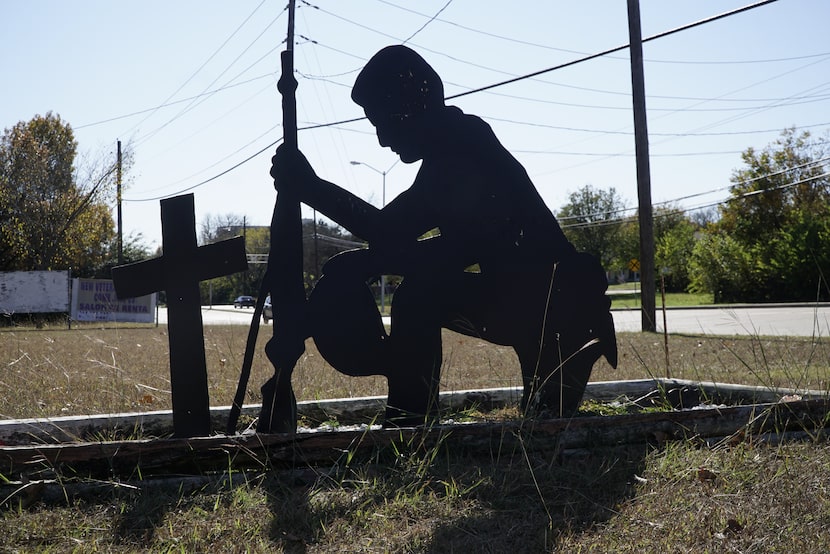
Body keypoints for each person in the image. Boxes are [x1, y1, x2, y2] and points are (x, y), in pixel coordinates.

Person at [268, 45, 616, 426]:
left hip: (554, 308)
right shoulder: (458, 141)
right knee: (420, 293)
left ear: (408, 107)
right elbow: (463, 246)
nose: (383, 140)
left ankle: (409, 419)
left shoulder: (459, 150)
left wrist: (311, 188)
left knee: (420, 297)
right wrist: (371, 260)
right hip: (535, 298)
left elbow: (390, 230)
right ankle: (410, 415)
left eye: (383, 122)